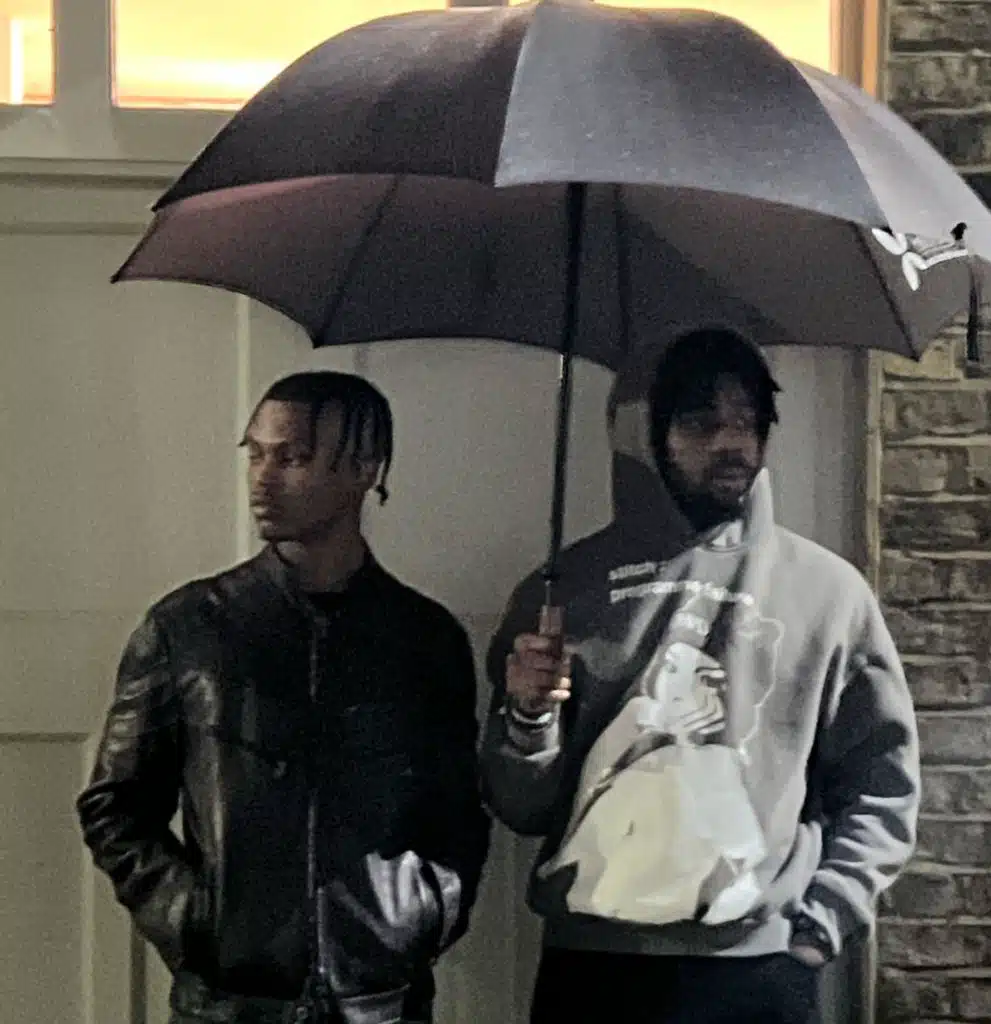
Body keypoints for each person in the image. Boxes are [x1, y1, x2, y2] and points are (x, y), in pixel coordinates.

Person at [480, 328, 920, 1024]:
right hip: (594, 968)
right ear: (648, 435)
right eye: (701, 422)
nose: (731, 443)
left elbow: (881, 781)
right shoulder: (564, 590)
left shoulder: (828, 593)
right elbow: (521, 808)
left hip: (758, 972)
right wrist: (529, 717)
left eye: (748, 422)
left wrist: (824, 919)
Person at [77, 371, 491, 1024]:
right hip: (226, 1005)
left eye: (293, 457)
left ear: (364, 470)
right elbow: (115, 805)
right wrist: (191, 919)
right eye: (256, 454)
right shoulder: (188, 627)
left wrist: (422, 915)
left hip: (380, 1005)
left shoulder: (426, 640)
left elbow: (458, 814)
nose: (263, 479)